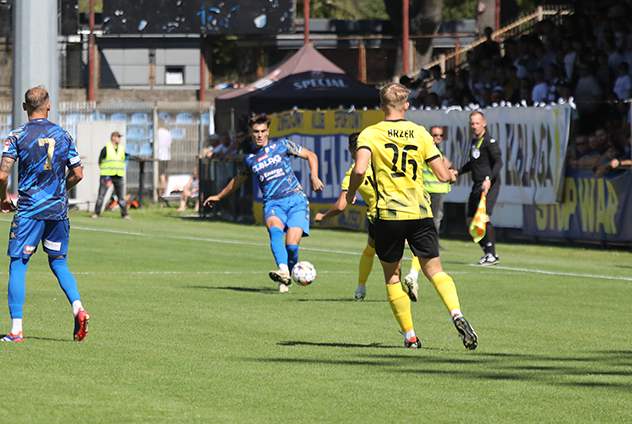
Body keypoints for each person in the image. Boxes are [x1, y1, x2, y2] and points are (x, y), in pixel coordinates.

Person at [346, 82, 476, 350]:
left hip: (388, 215)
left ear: (381, 107)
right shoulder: (420, 133)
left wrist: (350, 194)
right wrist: (451, 174)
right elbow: (441, 174)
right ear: (407, 106)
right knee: (435, 271)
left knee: (393, 277)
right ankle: (456, 313)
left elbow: (359, 170)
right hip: (419, 212)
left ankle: (411, 337)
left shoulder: (369, 134)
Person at [0, 85, 89, 342]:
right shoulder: (64, 135)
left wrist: (4, 197)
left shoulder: (17, 136)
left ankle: (16, 330)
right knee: (59, 263)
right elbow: (78, 173)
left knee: (18, 264)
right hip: (57, 210)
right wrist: (60, 190)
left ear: (25, 107)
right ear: (48, 105)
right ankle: (78, 308)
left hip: (30, 211)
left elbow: (3, 174)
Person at [203, 114, 324, 293]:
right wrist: (219, 196)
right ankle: (283, 272)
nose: (259, 135)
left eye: (262, 131)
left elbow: (311, 155)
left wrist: (314, 176)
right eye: (255, 132)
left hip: (296, 200)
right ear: (251, 133)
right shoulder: (249, 159)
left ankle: (288, 274)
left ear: (267, 131)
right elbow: (238, 180)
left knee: (291, 246)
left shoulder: (282, 146)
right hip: (273, 204)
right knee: (275, 232)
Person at [314, 132, 379, 301]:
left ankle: (360, 288)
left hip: (379, 216)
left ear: (350, 150)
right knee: (418, 249)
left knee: (373, 250)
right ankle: (413, 275)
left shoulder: (352, 174)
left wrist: (323, 216)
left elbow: (341, 205)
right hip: (405, 209)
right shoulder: (384, 162)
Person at [457, 110, 503, 265]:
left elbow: (498, 162)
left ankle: (492, 253)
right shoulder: (474, 142)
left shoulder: (490, 141)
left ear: (484, 123)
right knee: (470, 220)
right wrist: (458, 172)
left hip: (488, 185)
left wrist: (489, 179)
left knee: (484, 217)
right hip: (476, 185)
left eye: (477, 123)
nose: (475, 126)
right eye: (472, 123)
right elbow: (472, 164)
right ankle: (486, 252)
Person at [422, 125, 452, 242]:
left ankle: (430, 241)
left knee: (433, 217)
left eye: (441, 135)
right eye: (435, 135)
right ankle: (432, 242)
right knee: (435, 218)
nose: (438, 137)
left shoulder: (438, 150)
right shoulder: (431, 149)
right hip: (432, 188)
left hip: (436, 188)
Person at [92, 131, 130, 219]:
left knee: (121, 197)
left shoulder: (121, 148)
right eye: (118, 137)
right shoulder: (106, 148)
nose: (119, 139)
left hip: (118, 175)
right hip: (107, 175)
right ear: (113, 137)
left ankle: (125, 214)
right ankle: (96, 213)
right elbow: (100, 161)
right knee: (101, 195)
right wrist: (106, 172)